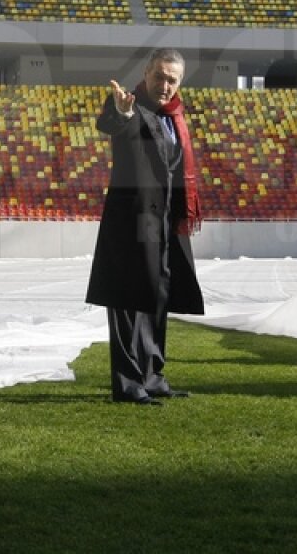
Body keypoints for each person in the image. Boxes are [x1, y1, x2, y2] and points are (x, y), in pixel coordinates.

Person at [85, 48, 205, 405]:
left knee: (157, 300)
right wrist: (120, 109)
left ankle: (152, 375)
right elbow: (111, 122)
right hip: (131, 226)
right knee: (125, 306)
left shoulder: (175, 117)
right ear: (147, 73)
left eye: (172, 80)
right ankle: (127, 383)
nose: (165, 85)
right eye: (160, 76)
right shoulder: (131, 108)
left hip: (165, 225)